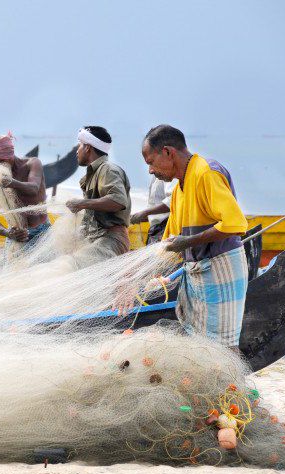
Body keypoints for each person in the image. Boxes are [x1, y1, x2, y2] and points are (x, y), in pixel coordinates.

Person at [142, 124, 248, 348]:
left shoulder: (206, 172)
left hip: (221, 269)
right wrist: (144, 275)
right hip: (198, 272)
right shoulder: (179, 188)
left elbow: (235, 224)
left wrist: (187, 242)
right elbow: (168, 242)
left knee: (223, 346)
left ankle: (232, 384)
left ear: (168, 152)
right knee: (200, 343)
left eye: (151, 162)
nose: (150, 170)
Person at [66, 126, 132, 264]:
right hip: (98, 239)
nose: (77, 151)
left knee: (72, 265)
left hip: (111, 240)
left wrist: (81, 203)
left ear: (88, 147)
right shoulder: (93, 174)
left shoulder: (107, 170)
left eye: (79, 145)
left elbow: (118, 201)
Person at [0, 135, 49, 255]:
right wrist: (8, 233)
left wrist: (12, 182)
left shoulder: (32, 163)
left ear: (9, 156)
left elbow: (33, 188)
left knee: (45, 271)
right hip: (16, 236)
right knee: (12, 272)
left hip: (41, 233)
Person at [131, 175, 176, 244]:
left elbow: (173, 201)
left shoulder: (170, 175)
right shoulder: (156, 177)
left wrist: (146, 212)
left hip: (166, 228)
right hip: (157, 230)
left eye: (151, 163)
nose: (150, 170)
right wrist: (144, 216)